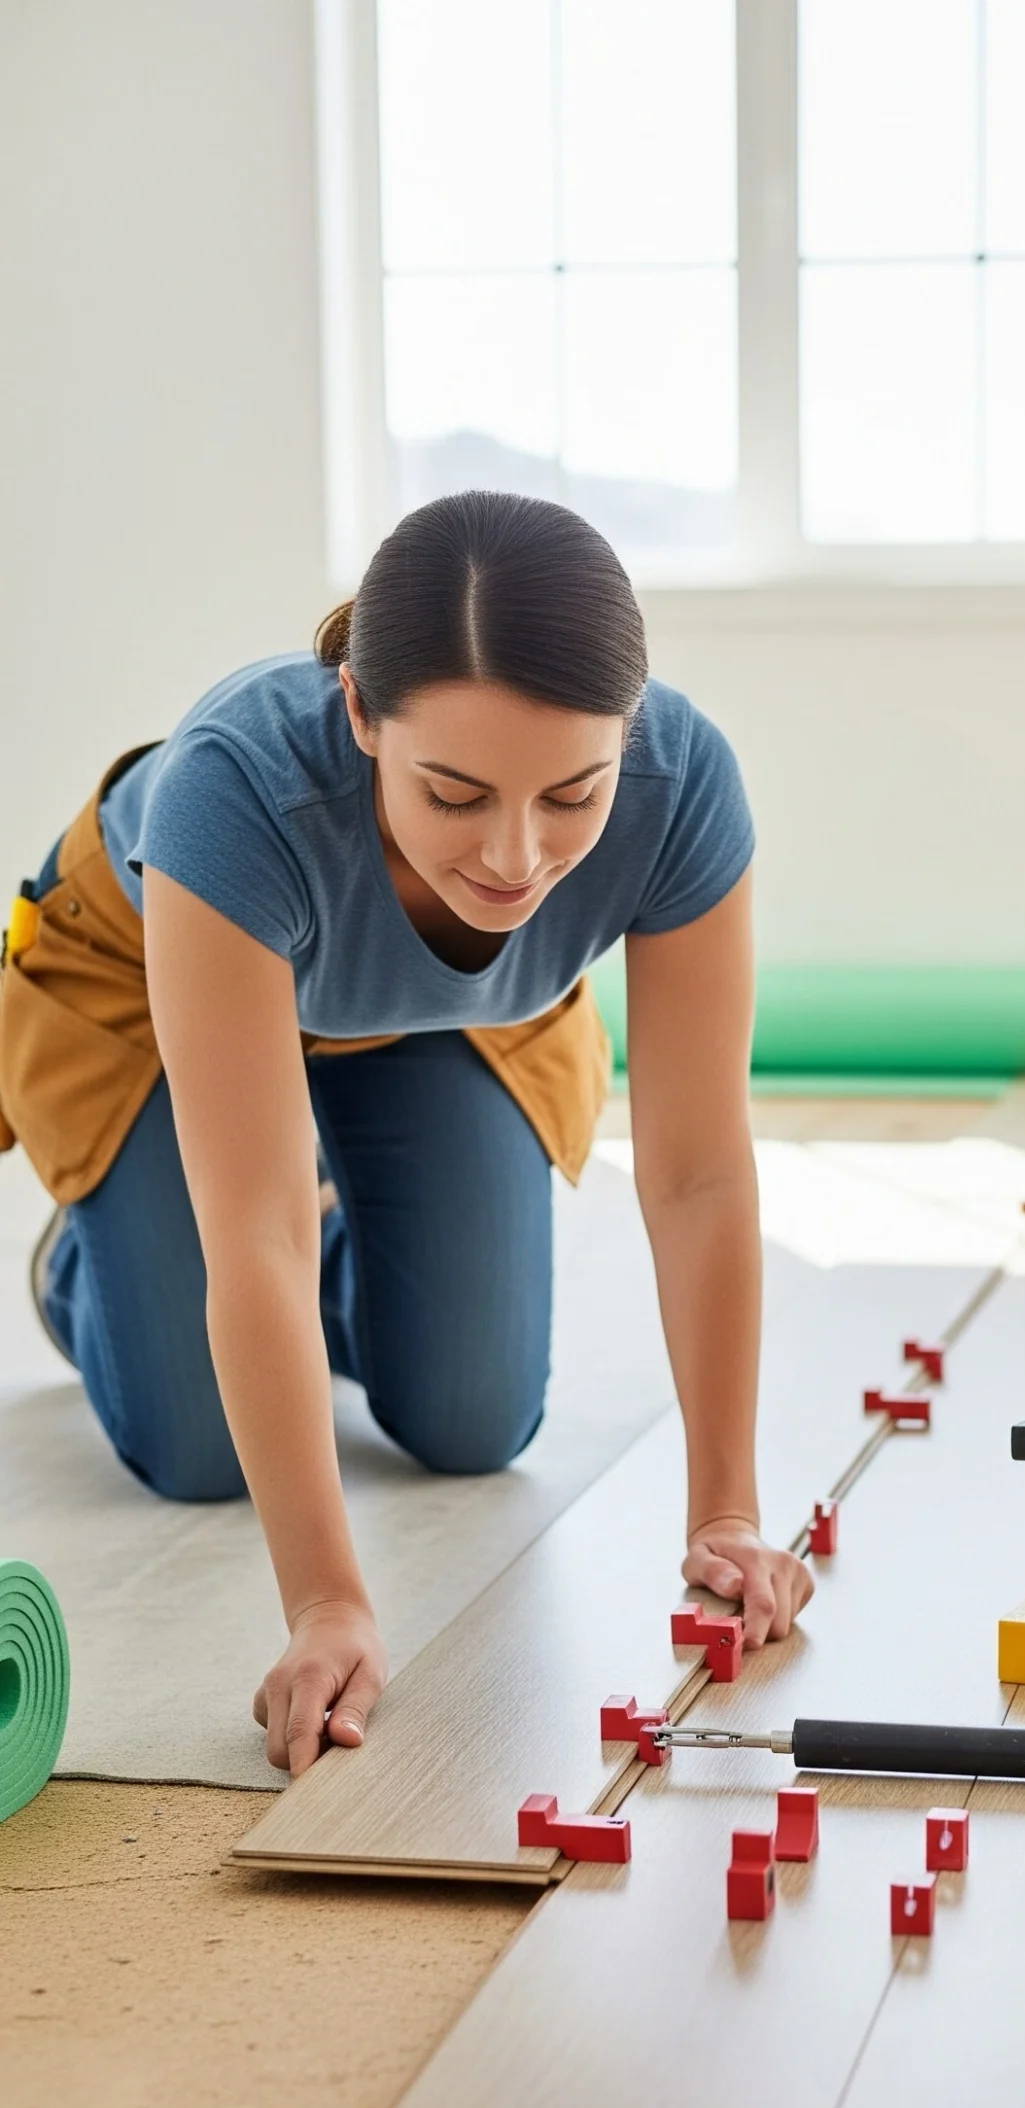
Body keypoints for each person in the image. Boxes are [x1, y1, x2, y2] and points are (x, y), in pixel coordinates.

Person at [0, 491, 812, 1776]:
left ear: (629, 737)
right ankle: (85, 1262)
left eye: (571, 796)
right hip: (155, 993)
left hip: (437, 1020)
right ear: (360, 714)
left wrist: (728, 1509)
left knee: (473, 1418)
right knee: (198, 1449)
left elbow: (700, 1171)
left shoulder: (684, 784)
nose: (512, 857)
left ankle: (349, 1217)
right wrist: (328, 1602)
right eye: (453, 791)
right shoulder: (233, 788)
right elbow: (254, 1230)